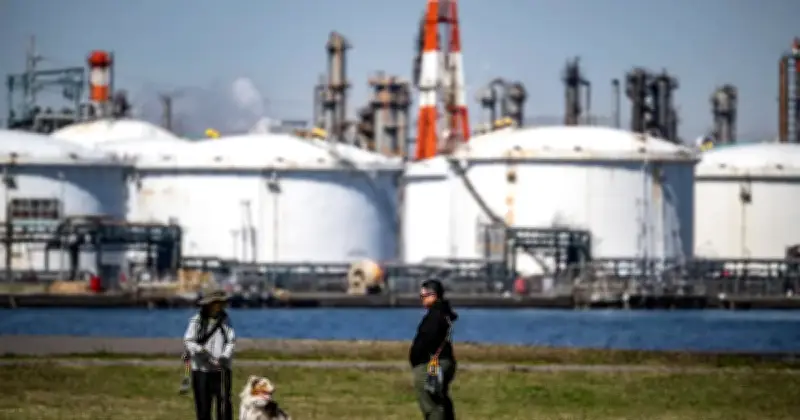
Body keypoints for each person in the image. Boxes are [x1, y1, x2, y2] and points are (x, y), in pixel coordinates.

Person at [409, 279, 458, 420]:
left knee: (432, 405)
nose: (421, 299)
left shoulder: (436, 315)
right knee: (439, 400)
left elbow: (428, 338)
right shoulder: (443, 313)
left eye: (423, 296)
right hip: (439, 362)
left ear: (433, 295)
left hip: (431, 364)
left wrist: (418, 355)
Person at [183, 289, 236, 420]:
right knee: (203, 405)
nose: (220, 306)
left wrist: (224, 356)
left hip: (222, 368)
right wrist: (201, 352)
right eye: (217, 303)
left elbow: (231, 341)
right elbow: (189, 340)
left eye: (221, 303)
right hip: (201, 369)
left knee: (224, 403)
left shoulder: (225, 319)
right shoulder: (197, 320)